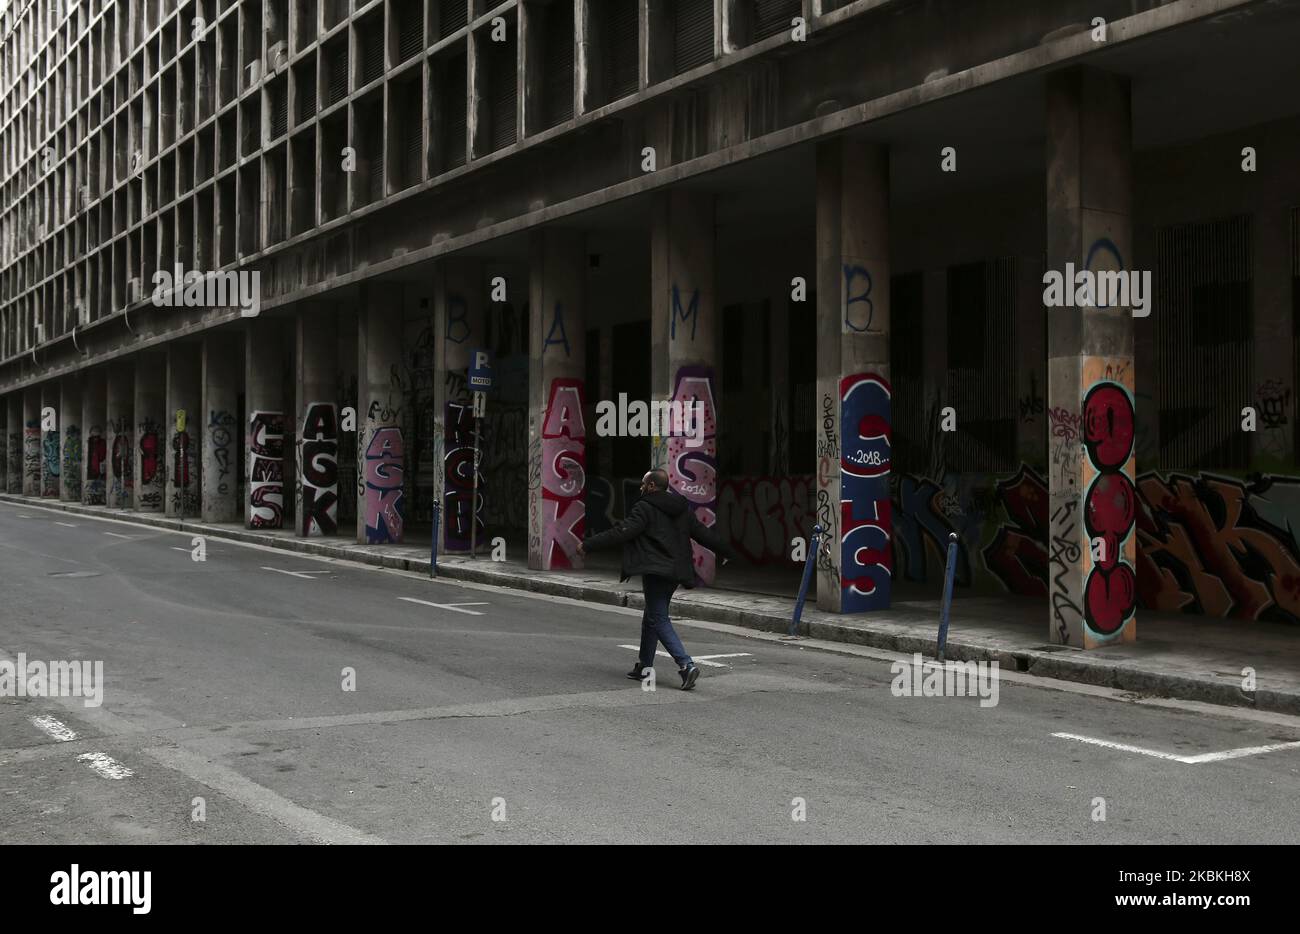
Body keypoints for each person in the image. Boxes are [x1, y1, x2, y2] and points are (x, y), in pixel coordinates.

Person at [577, 468, 738, 690]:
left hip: (656, 571)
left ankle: (686, 665)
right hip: (675, 571)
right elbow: (703, 533)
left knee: (658, 617)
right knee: (651, 615)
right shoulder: (681, 508)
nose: (641, 487)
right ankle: (644, 666)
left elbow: (622, 532)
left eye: (644, 484)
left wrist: (588, 544)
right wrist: (727, 551)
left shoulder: (644, 507)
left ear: (652, 486)